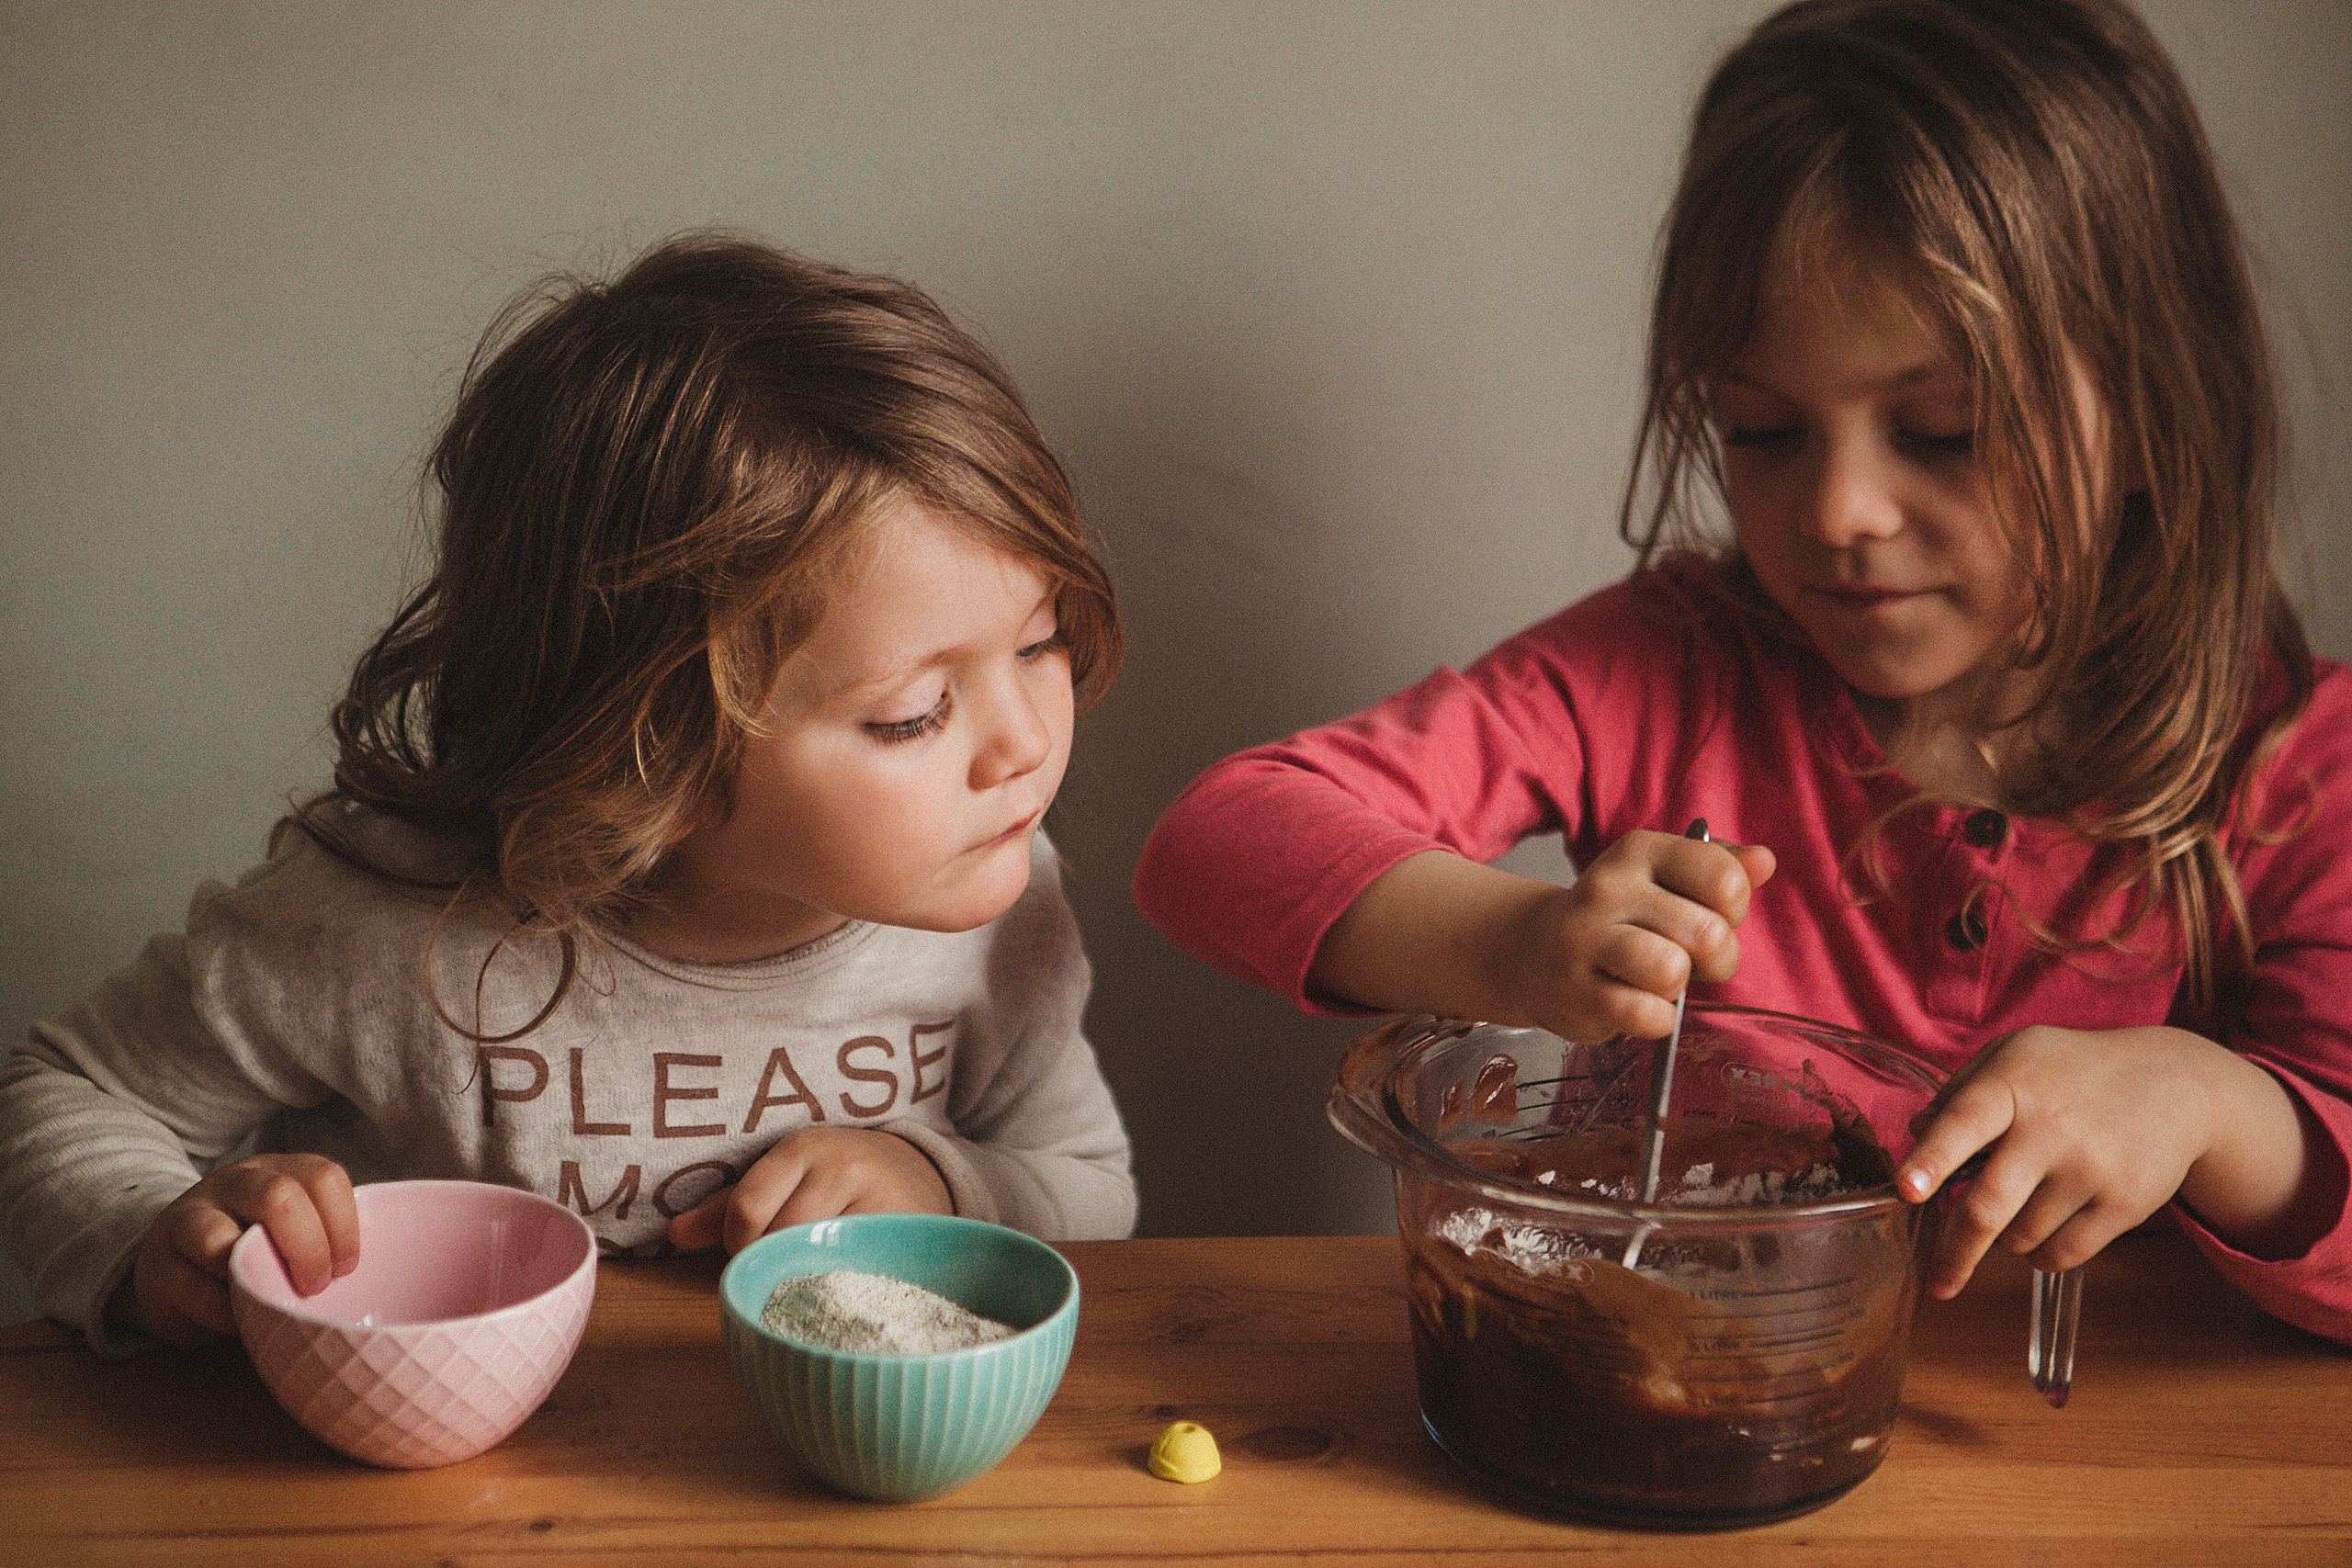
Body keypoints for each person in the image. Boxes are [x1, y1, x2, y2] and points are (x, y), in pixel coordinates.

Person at [1133, 0, 2351, 1344]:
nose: (1837, 511)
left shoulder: (2304, 772)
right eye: (1763, 430)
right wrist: (1517, 946)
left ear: (2155, 409)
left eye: (1943, 430)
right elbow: (1216, 839)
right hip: (1674, 1384)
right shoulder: (1667, 668)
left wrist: (2210, 1105)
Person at [0, 232, 1136, 1356]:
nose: (1026, 743)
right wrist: (152, 1243)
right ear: (648, 753)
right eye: (913, 714)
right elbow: (60, 1091)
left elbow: (1092, 1187)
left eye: (1039, 644)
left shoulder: (1004, 904)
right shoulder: (377, 929)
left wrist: (935, 1180)